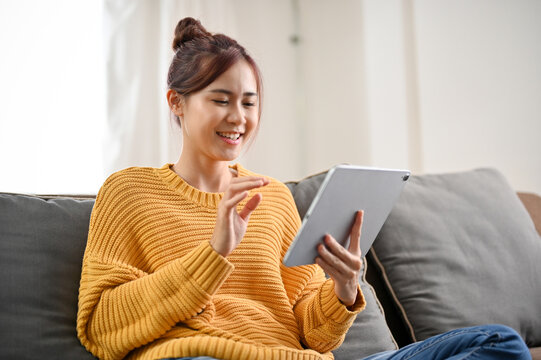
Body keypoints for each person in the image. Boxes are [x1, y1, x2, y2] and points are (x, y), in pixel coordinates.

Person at [76, 17, 531, 360]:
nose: (239, 117)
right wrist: (212, 253)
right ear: (176, 101)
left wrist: (343, 289)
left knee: (499, 343)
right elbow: (102, 326)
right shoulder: (129, 192)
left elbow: (314, 333)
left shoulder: (272, 198)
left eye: (249, 102)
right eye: (220, 100)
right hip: (202, 356)